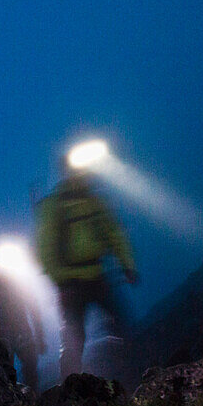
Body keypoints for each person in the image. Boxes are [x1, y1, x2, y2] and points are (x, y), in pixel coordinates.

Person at [36, 158, 138, 381]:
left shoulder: (93, 201)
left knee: (115, 329)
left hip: (95, 276)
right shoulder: (57, 205)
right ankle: (72, 393)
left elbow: (114, 233)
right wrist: (61, 281)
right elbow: (45, 248)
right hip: (73, 284)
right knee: (75, 340)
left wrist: (127, 264)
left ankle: (128, 382)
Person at [0, 264, 45, 390]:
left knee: (12, 368)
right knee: (23, 367)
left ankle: (16, 398)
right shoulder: (12, 284)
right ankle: (26, 398)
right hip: (17, 332)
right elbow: (33, 309)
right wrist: (39, 336)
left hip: (8, 332)